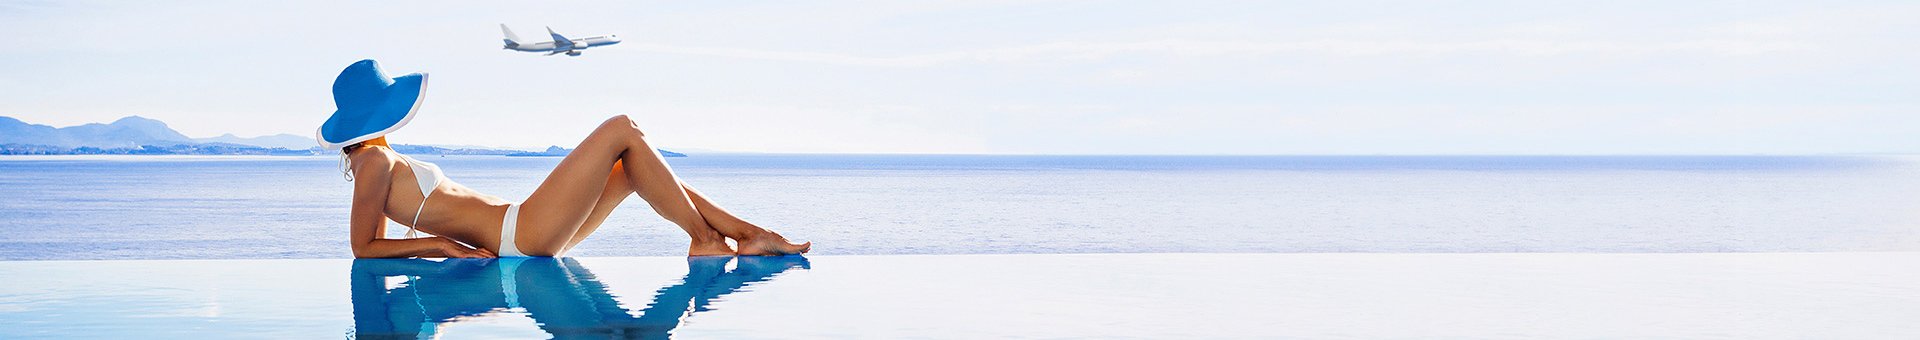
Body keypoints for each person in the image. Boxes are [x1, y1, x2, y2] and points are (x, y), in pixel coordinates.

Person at [318, 59, 810, 258]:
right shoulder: (376, 163)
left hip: (523, 228)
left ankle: (743, 234)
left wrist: (437, 240)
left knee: (627, 167)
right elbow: (363, 247)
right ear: (375, 113)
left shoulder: (374, 162)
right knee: (622, 128)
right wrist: (444, 245)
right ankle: (712, 237)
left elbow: (374, 241)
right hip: (520, 231)